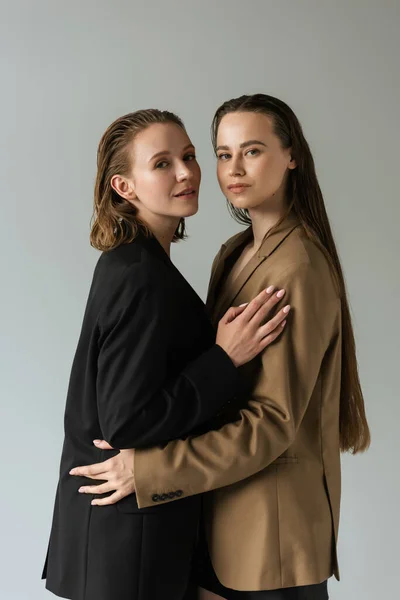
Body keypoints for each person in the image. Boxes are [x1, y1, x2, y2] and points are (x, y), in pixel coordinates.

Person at [72, 95, 371, 600]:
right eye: (223, 153)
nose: (232, 169)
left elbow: (271, 423)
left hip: (267, 540)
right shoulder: (233, 254)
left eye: (252, 151)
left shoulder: (296, 268)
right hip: (216, 523)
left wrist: (147, 470)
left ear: (291, 155)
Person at [41, 108, 289, 600]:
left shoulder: (138, 264)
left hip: (128, 541)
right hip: (128, 549)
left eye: (190, 156)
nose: (186, 173)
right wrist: (224, 359)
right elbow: (126, 421)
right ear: (124, 187)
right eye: (162, 163)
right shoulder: (140, 275)